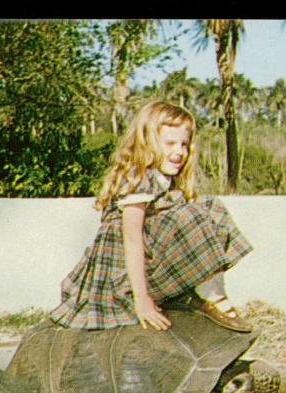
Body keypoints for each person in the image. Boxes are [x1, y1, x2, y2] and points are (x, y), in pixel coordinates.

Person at [50, 100, 253, 332]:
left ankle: (211, 291)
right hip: (122, 278)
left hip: (149, 262)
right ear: (147, 142)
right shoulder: (139, 179)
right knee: (188, 215)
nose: (179, 152)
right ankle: (208, 293)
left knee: (209, 206)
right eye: (170, 143)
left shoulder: (163, 179)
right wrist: (142, 299)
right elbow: (133, 239)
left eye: (184, 144)